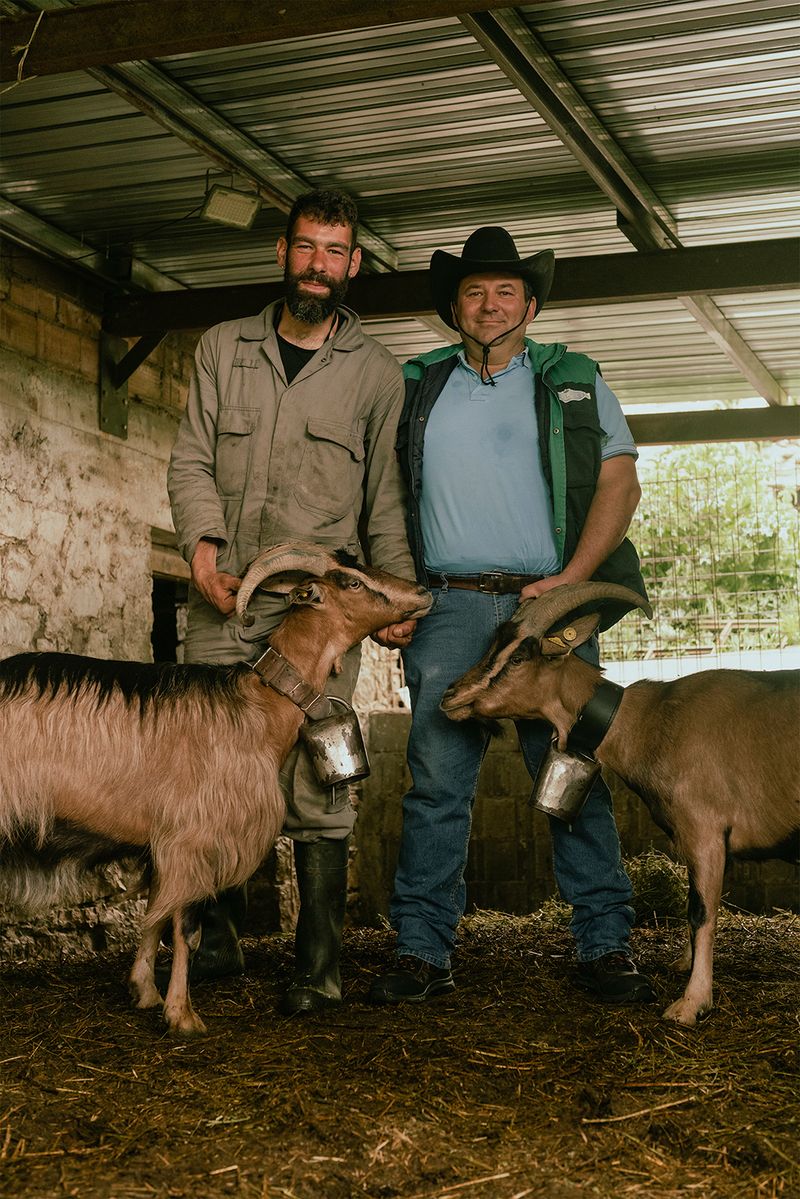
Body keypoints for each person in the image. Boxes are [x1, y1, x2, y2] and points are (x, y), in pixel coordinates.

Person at [368, 226, 656, 1007]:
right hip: (449, 604)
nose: (489, 304)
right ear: (453, 308)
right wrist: (395, 588)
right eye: (473, 291)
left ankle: (605, 944)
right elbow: (382, 490)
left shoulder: (576, 379)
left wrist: (570, 581)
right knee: (435, 781)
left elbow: (619, 486)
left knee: (570, 769)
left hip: (549, 609)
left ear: (530, 304)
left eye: (505, 291)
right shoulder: (417, 383)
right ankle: (424, 950)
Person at [167, 189, 417, 1015]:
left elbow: (385, 498)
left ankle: (320, 962)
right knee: (209, 770)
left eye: (335, 251)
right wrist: (202, 547)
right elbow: (191, 461)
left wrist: (395, 599)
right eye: (306, 247)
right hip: (226, 600)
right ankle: (219, 940)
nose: (319, 264)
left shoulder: (377, 376)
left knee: (323, 768)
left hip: (316, 616)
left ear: (353, 263)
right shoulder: (222, 348)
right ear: (282, 254)